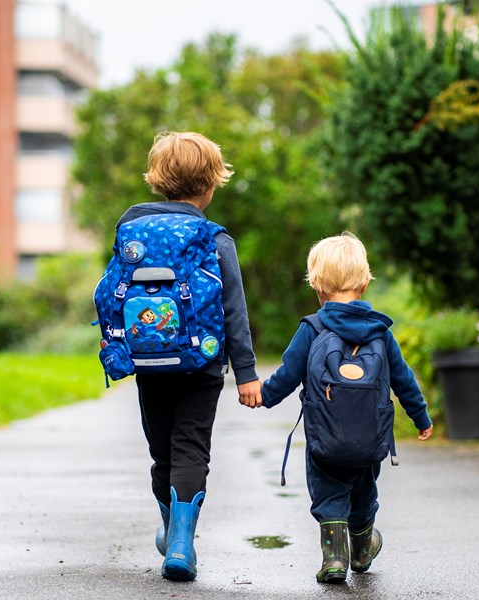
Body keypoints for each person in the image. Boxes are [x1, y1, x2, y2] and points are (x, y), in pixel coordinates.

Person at [241, 233, 433, 583]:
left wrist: (262, 396)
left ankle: (333, 559)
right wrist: (421, 417)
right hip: (369, 441)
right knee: (364, 495)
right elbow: (403, 380)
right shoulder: (381, 332)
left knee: (329, 495)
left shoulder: (313, 328)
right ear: (364, 282)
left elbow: (288, 374)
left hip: (325, 441)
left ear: (317, 285)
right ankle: (361, 551)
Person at [116, 131, 262, 581]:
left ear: (157, 180)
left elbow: (114, 295)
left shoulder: (130, 229)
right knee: (191, 447)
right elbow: (233, 309)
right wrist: (247, 374)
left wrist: (117, 345)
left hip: (149, 362)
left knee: (161, 450)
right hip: (202, 365)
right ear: (211, 184)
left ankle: (170, 528)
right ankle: (181, 544)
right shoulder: (214, 239)